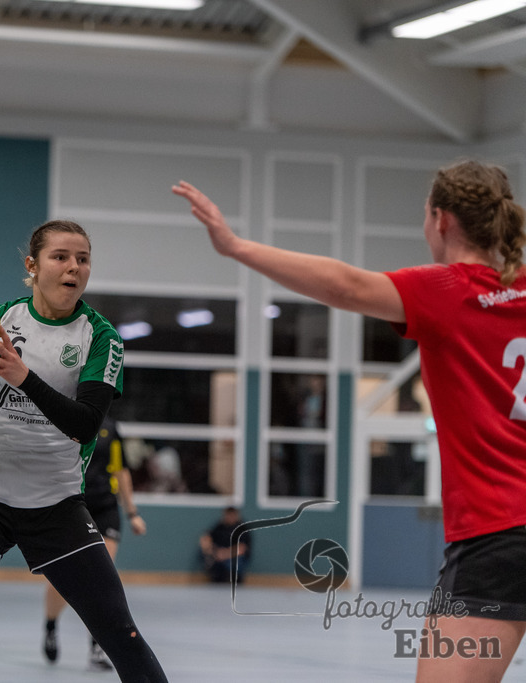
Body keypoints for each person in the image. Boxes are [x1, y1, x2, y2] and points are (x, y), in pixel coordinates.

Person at [173, 158, 526, 682]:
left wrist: (236, 246)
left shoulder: (450, 289)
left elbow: (346, 285)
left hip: (500, 532)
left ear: (441, 219)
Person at [0, 219, 167, 682]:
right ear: (33, 265)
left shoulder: (100, 337)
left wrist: (23, 376)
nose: (73, 267)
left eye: (82, 259)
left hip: (56, 506)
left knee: (119, 632)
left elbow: (85, 425)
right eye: (60, 257)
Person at [42, 416, 148, 670]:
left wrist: (132, 512)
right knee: (64, 576)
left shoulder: (110, 429)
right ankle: (50, 625)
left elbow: (120, 469)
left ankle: (98, 647)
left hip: (105, 507)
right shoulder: (63, 417)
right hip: (72, 505)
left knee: (102, 577)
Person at [198, 506, 249, 584]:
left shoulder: (242, 529)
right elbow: (206, 538)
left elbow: (242, 549)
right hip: (218, 555)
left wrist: (224, 554)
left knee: (235, 563)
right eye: (228, 515)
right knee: (210, 560)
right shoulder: (219, 527)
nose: (230, 517)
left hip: (233, 557)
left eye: (232, 515)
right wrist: (211, 550)